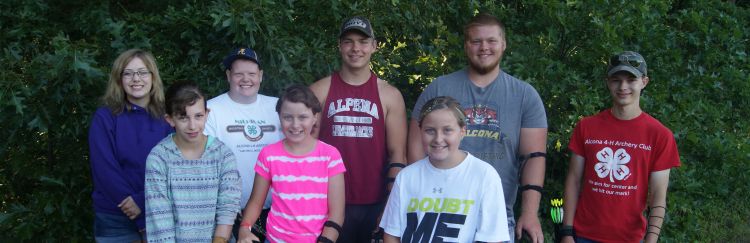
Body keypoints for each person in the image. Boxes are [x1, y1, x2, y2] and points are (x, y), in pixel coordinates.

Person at [407, 13, 548, 242]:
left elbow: (534, 157)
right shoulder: (438, 88)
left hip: (497, 216)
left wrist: (530, 213)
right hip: (437, 212)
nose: (484, 47)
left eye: (491, 40)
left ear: (503, 44)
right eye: (476, 41)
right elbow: (415, 151)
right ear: (466, 46)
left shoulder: (524, 96)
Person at [561, 51, 681, 243]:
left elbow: (658, 196)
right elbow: (573, 180)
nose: (623, 86)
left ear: (644, 82)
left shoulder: (660, 135)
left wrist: (651, 240)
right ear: (608, 82)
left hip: (630, 238)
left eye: (631, 80)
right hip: (582, 235)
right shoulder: (587, 126)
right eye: (616, 80)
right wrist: (566, 232)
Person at [309, 15, 408, 242]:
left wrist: (390, 207)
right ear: (339, 46)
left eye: (363, 42)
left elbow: (397, 154)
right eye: (348, 41)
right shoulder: (319, 91)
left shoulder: (390, 95)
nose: (356, 48)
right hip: (326, 203)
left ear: (374, 46)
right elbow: (304, 152)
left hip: (374, 204)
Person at [380, 96, 510, 242]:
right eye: (430, 130)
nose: (438, 139)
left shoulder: (485, 176)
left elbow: (493, 238)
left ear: (462, 131)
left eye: (447, 130)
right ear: (420, 131)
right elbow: (392, 234)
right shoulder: (406, 177)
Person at [237, 85, 346, 243]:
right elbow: (255, 202)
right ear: (279, 117)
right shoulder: (268, 155)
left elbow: (337, 213)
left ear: (315, 117)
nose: (295, 125)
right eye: (288, 117)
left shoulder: (330, 156)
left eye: (303, 117)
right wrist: (244, 229)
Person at [89, 49, 173, 242]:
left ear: (153, 77)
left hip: (158, 211)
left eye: (142, 72)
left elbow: (174, 166)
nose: (136, 79)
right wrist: (130, 202)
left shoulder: (168, 117)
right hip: (114, 216)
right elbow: (104, 169)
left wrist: (141, 201)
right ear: (119, 79)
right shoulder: (105, 117)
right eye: (128, 73)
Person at [144, 81, 241, 242]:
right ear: (170, 119)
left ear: (207, 114)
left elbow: (227, 207)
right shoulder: (159, 158)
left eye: (198, 116)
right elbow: (159, 217)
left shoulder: (223, 155)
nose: (192, 125)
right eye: (183, 118)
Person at [204, 47, 284, 239]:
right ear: (228, 76)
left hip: (277, 212)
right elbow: (207, 162)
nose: (245, 79)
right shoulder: (211, 110)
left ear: (261, 75)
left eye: (251, 74)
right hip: (230, 214)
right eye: (239, 74)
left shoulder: (278, 107)